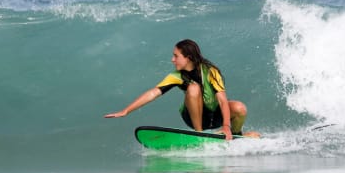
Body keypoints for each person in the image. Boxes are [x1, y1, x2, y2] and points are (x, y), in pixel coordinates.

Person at [104, 39, 249, 140]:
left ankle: (235, 135)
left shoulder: (210, 71)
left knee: (239, 107)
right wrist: (126, 110)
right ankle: (198, 134)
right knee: (193, 88)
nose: (172, 60)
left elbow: (223, 101)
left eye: (176, 56)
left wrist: (226, 125)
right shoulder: (176, 76)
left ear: (188, 58)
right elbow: (153, 93)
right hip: (194, 116)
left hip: (214, 115)